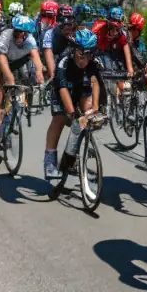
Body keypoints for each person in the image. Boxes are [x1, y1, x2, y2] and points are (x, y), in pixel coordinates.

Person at [44, 29, 103, 181]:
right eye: (81, 55)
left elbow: (95, 82)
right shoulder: (64, 62)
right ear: (74, 50)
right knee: (60, 118)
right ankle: (50, 161)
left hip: (80, 88)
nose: (84, 59)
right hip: (63, 89)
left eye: (89, 55)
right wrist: (71, 113)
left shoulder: (93, 63)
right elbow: (62, 89)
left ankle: (76, 152)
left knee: (87, 113)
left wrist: (94, 108)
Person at [0, 14, 42, 140]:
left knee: (29, 79)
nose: (19, 35)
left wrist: (40, 71)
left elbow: (34, 55)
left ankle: (18, 107)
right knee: (1, 87)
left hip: (20, 61)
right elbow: (1, 59)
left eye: (22, 33)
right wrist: (9, 77)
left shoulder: (29, 39)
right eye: (16, 31)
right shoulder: (5, 36)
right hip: (5, 60)